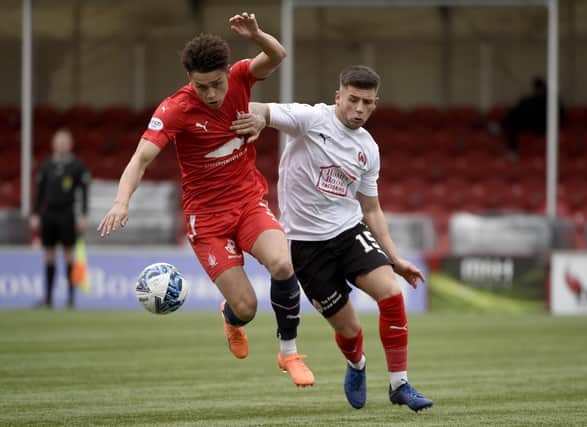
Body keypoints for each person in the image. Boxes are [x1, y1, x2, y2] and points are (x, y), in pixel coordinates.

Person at [96, 13, 314, 387]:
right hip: (207, 219)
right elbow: (141, 159)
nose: (211, 94)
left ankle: (289, 352)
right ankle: (231, 319)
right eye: (202, 87)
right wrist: (121, 201)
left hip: (247, 201)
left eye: (216, 84)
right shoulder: (175, 109)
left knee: (282, 262)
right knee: (246, 307)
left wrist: (258, 34)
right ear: (189, 81)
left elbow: (277, 55)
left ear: (229, 72)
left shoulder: (244, 76)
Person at [232, 65, 433, 411]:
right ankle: (357, 365)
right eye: (352, 99)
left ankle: (399, 384)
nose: (358, 109)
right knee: (351, 330)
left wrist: (396, 258)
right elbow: (259, 109)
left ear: (375, 105)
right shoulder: (310, 119)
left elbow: (372, 210)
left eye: (366, 103)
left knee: (391, 292)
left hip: (349, 233)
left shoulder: (369, 149)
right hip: (306, 247)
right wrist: (256, 120)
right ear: (338, 96)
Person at [31, 128, 91, 309]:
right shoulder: (47, 165)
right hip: (49, 214)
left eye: (65, 141)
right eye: (59, 141)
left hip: (67, 214)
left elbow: (85, 192)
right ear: (53, 143)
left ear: (70, 144)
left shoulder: (77, 166)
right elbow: (39, 192)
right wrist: (35, 213)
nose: (62, 144)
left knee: (69, 255)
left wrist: (83, 214)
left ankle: (71, 299)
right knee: (48, 255)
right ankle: (48, 299)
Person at [501, 76, 566, 157]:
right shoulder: (530, 99)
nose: (538, 91)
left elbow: (560, 117)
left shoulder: (553, 99)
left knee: (514, 118)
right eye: (537, 89)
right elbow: (520, 110)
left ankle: (501, 128)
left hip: (545, 125)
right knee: (513, 119)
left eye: (540, 88)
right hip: (533, 123)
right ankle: (512, 149)